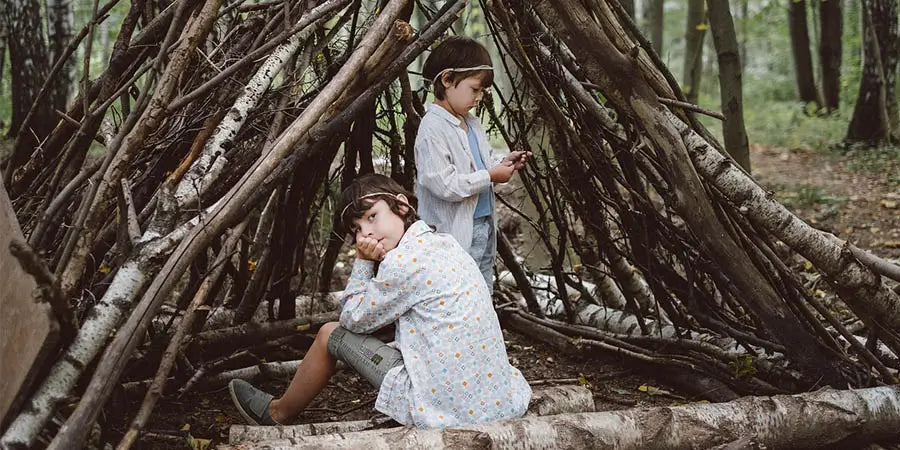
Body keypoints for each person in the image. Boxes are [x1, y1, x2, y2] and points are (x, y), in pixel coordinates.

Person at [229, 174, 531, 428]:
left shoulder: (402, 263)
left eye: (372, 216)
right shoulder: (444, 243)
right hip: (497, 398)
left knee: (328, 334)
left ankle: (276, 413)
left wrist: (362, 261)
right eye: (358, 229)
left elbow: (352, 319)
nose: (366, 233)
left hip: (452, 411)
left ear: (401, 206)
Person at [416, 36, 530, 293]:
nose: (479, 97)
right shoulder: (432, 129)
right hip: (452, 234)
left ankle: (482, 331)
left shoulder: (471, 122)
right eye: (474, 89)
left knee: (481, 289)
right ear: (447, 80)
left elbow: (482, 161)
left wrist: (503, 163)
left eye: (482, 91)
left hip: (483, 223)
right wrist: (490, 175)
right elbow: (444, 185)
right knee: (458, 292)